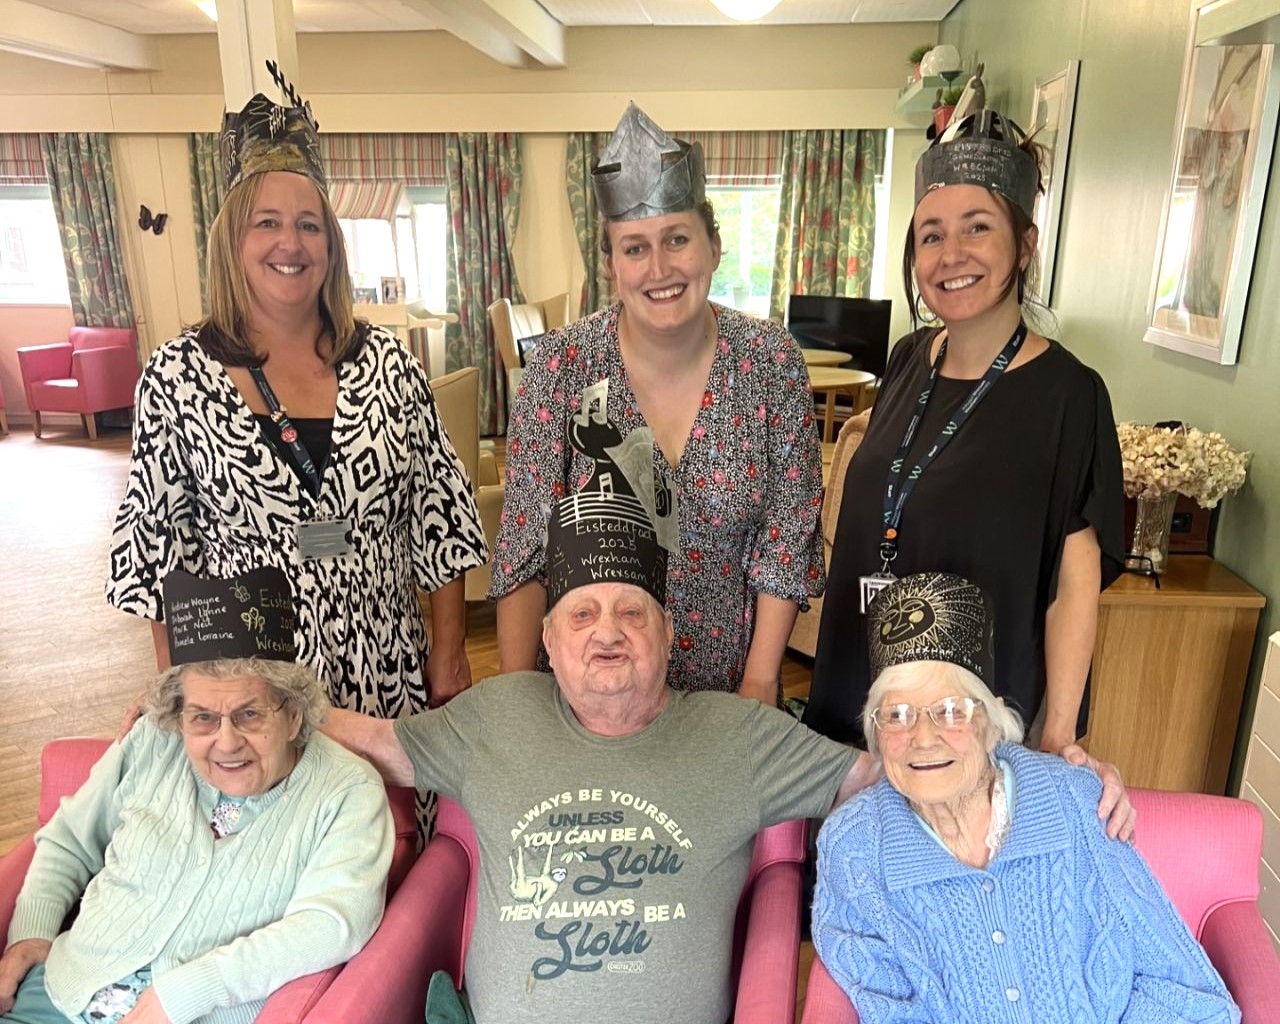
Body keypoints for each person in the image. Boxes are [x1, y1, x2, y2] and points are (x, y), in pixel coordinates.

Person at [324, 415, 1133, 1024]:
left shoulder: (737, 735)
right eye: (582, 616)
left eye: (632, 614)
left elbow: (903, 770)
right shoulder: (496, 715)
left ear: (670, 636)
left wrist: (1048, 772)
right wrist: (240, 707)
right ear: (545, 641)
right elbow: (371, 742)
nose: (607, 632)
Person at [106, 84, 487, 724]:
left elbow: (441, 517)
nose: (291, 242)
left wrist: (448, 654)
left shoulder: (390, 368)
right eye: (268, 223)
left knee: (383, 823)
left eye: (309, 224)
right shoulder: (177, 378)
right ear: (232, 241)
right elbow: (157, 553)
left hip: (383, 672)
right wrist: (181, 694)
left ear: (331, 245)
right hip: (249, 691)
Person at [805, 109, 1124, 752]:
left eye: (977, 229)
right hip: (859, 699)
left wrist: (1056, 735)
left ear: (1025, 244)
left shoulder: (1069, 397)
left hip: (969, 723)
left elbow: (1074, 582)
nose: (952, 256)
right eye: (931, 235)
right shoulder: (906, 358)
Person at [489, 102, 824, 702]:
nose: (660, 267)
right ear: (612, 264)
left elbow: (785, 540)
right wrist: (519, 710)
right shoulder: (559, 370)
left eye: (677, 239)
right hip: (589, 697)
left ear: (714, 246)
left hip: (727, 689)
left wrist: (759, 683)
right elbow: (525, 551)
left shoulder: (772, 362)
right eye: (636, 248)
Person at [812, 571, 1238, 1024]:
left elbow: (1179, 985)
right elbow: (889, 1008)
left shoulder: (1077, 801)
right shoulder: (854, 847)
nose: (923, 737)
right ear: (875, 731)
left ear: (990, 722)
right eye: (897, 714)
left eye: (951, 710)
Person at [0, 567, 394, 1024]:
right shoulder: (153, 739)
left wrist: (193, 988)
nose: (226, 743)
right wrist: (30, 933)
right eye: (202, 718)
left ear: (294, 714)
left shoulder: (347, 791)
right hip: (63, 991)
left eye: (249, 715)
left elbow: (332, 924)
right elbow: (69, 840)